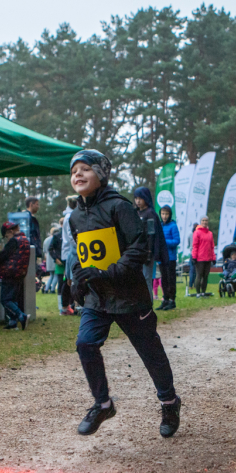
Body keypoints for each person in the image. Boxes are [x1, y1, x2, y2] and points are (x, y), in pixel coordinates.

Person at [67, 150, 181, 437]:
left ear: (102, 174)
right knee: (85, 344)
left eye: (85, 169)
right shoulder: (75, 216)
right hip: (97, 298)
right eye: (73, 171)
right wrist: (78, 280)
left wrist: (107, 273)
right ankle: (103, 403)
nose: (77, 175)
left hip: (129, 297)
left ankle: (169, 401)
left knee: (150, 352)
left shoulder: (120, 207)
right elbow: (81, 255)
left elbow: (138, 249)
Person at [0, 221, 31, 330]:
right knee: (13, 298)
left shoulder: (14, 241)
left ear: (10, 231)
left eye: (6, 236)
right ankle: (12, 322)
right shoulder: (24, 239)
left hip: (10, 273)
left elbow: (4, 255)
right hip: (20, 273)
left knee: (5, 300)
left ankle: (21, 316)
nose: (6, 238)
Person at [132, 186, 168, 304]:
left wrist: (149, 252)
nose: (137, 201)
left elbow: (151, 235)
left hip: (147, 252)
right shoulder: (135, 213)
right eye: (136, 198)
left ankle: (147, 305)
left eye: (140, 198)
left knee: (146, 278)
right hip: (136, 251)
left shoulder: (150, 214)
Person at [60, 195, 78, 315]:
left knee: (71, 280)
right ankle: (68, 306)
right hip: (72, 252)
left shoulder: (70, 215)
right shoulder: (70, 216)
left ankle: (71, 305)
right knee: (71, 280)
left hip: (72, 251)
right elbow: (71, 237)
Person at [159, 205, 179, 310]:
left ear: (170, 214)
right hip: (162, 257)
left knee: (171, 279)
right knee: (164, 279)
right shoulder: (160, 226)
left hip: (170, 257)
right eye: (163, 213)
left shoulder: (173, 226)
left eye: (166, 214)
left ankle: (172, 300)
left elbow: (176, 241)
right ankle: (165, 299)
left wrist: (164, 242)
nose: (164, 216)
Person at [191, 216, 215, 297]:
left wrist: (213, 257)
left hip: (208, 258)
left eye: (206, 221)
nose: (205, 222)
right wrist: (194, 257)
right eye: (203, 220)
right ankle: (198, 292)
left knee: (205, 276)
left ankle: (203, 292)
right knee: (199, 275)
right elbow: (195, 245)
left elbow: (212, 247)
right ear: (201, 222)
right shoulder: (197, 232)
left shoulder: (210, 233)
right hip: (199, 258)